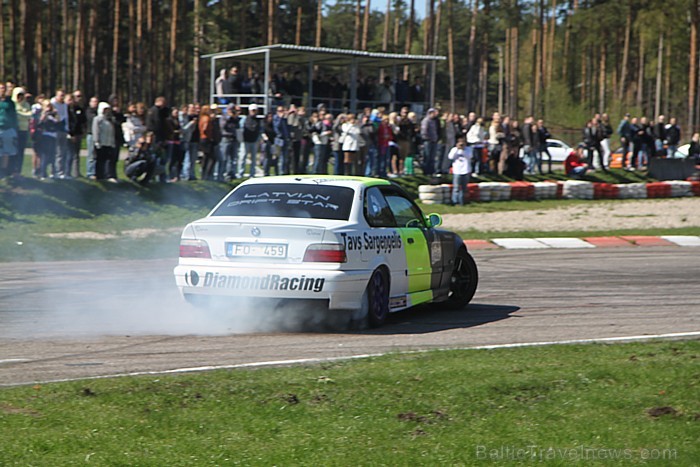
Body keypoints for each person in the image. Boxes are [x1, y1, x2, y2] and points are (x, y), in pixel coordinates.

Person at [92, 102, 118, 182]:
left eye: (108, 109)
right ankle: (99, 175)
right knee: (100, 160)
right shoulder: (97, 119)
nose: (107, 111)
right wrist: (96, 141)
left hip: (109, 143)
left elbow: (112, 131)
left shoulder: (110, 119)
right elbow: (95, 130)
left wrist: (112, 142)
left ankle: (108, 175)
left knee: (109, 159)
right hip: (101, 143)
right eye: (105, 109)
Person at [11, 87, 31, 177]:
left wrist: (21, 114)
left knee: (21, 151)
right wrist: (24, 114)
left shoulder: (26, 105)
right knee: (13, 151)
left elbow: (30, 115)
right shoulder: (12, 104)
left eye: (22, 95)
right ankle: (12, 170)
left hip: (24, 130)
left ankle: (18, 171)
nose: (20, 97)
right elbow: (15, 115)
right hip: (15, 130)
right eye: (18, 95)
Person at [0, 83, 18, 178]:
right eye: (1, 88)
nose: (2, 90)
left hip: (8, 129)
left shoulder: (10, 103)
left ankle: (4, 172)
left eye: (3, 88)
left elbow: (13, 116)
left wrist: (14, 129)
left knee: (6, 152)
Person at [240, 103, 262, 178]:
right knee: (243, 157)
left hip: (254, 141)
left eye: (255, 111)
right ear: (249, 111)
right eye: (252, 110)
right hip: (245, 141)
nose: (253, 112)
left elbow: (260, 130)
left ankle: (252, 174)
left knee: (253, 158)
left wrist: (259, 139)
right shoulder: (244, 119)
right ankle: (241, 174)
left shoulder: (258, 120)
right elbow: (240, 129)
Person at [219, 104, 240, 180]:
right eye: (230, 109)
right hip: (225, 139)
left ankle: (231, 174)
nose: (232, 111)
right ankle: (221, 174)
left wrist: (235, 117)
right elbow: (222, 126)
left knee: (233, 158)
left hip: (233, 139)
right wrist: (229, 117)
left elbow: (237, 127)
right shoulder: (224, 117)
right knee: (224, 158)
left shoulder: (235, 118)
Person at [448, 137, 471, 205]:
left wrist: (463, 150)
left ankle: (462, 202)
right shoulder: (454, 149)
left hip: (466, 170)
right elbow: (450, 157)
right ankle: (455, 201)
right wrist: (457, 149)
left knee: (464, 188)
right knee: (456, 188)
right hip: (457, 171)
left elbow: (469, 156)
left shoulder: (468, 149)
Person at [420, 108, 439, 175]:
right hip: (428, 141)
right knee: (427, 156)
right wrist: (427, 138)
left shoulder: (434, 121)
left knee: (432, 157)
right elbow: (424, 131)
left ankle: (431, 171)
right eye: (433, 113)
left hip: (434, 141)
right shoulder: (426, 120)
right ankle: (426, 171)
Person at [85, 96, 99, 178]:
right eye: (93, 101)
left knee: (97, 155)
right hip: (91, 134)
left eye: (96, 101)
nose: (95, 103)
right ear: (90, 103)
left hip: (98, 135)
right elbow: (93, 119)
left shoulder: (98, 112)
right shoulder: (89, 111)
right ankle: (90, 172)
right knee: (91, 155)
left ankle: (96, 172)